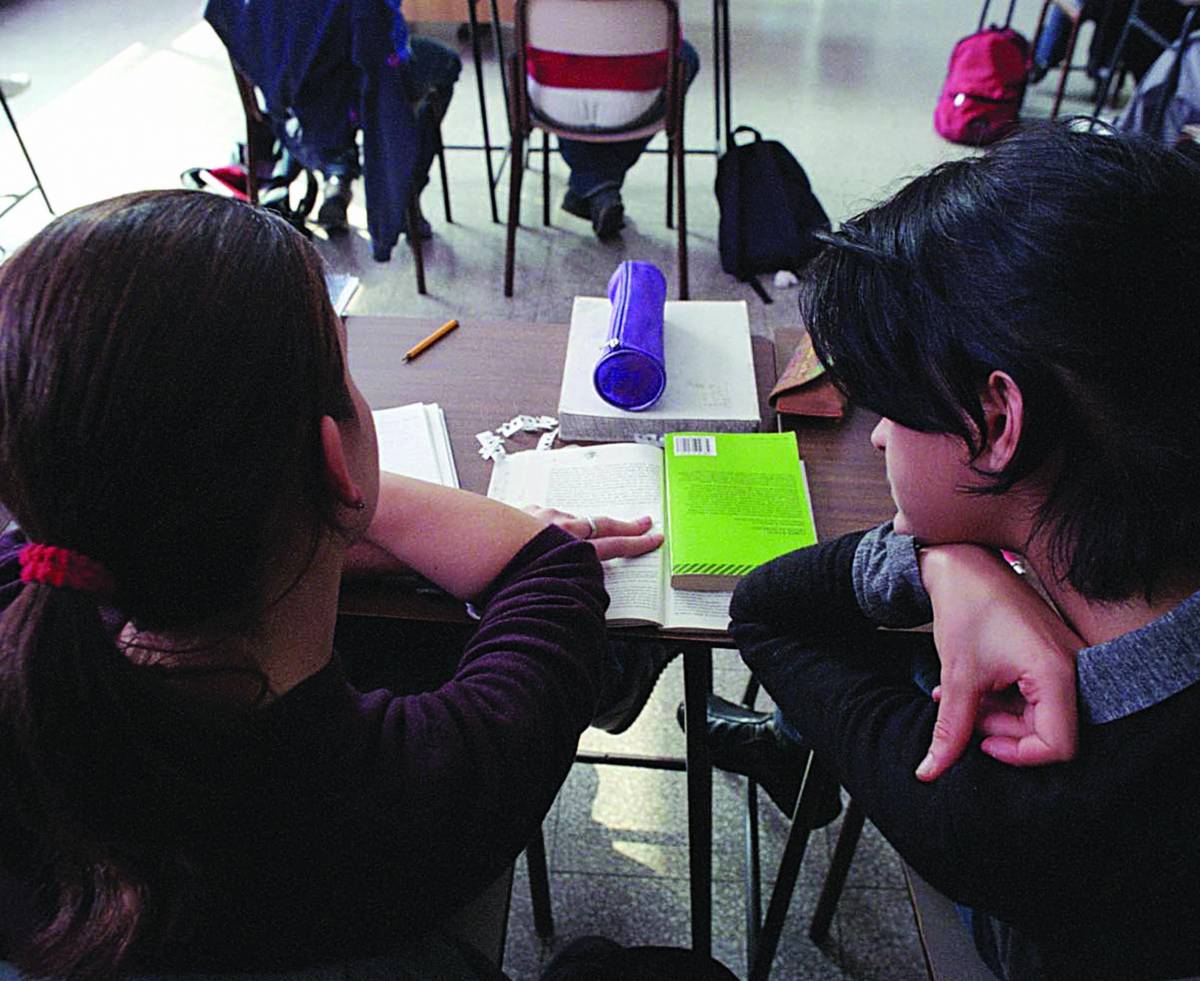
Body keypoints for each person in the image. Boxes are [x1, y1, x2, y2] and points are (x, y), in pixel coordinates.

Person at [0, 189, 664, 977]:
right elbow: (546, 562)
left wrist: (324, 509)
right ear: (332, 459)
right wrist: (370, 507)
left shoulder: (36, 597)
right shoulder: (435, 784)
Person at [689, 124, 1200, 979]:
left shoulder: (1013, 797)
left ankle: (799, 752)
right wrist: (958, 561)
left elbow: (767, 610)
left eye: (887, 403)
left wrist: (937, 563)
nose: (882, 436)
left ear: (995, 423)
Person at [524, 35, 700, 238]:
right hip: (637, 105)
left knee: (546, 58)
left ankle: (594, 183)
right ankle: (597, 184)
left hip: (553, 100)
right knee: (685, 57)